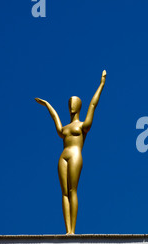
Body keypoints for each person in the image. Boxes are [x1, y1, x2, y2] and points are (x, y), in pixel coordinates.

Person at [35, 70, 107, 234]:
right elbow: (55, 118)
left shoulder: (83, 126)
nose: (71, 106)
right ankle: (68, 230)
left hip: (75, 155)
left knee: (73, 190)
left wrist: (101, 84)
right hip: (63, 157)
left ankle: (72, 231)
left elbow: (93, 104)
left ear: (79, 106)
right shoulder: (64, 129)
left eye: (73, 103)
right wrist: (47, 104)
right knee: (64, 193)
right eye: (69, 104)